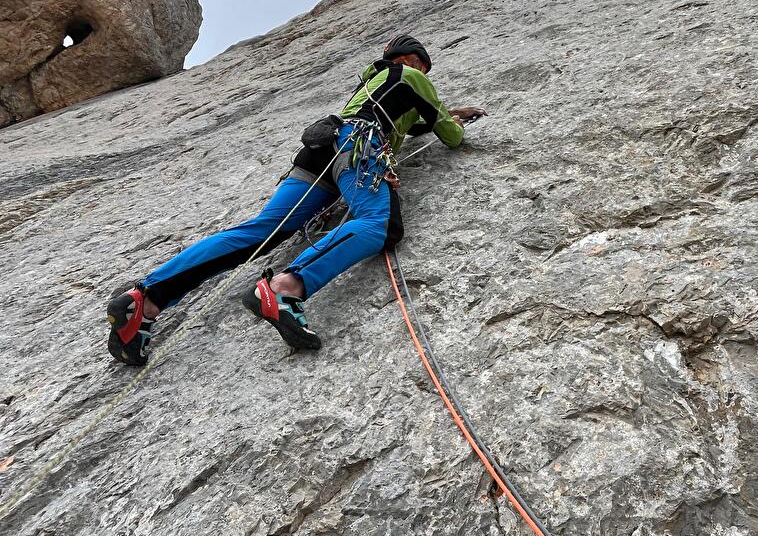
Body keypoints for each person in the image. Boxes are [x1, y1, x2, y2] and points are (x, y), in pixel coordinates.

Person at [106, 34, 485, 364]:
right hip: (359, 148)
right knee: (379, 223)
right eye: (419, 62)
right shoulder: (413, 77)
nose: (422, 69)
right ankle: (284, 288)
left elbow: (409, 122)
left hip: (321, 150)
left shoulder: (372, 87)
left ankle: (145, 299)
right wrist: (453, 120)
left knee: (263, 231)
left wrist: (445, 114)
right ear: (408, 60)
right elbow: (448, 135)